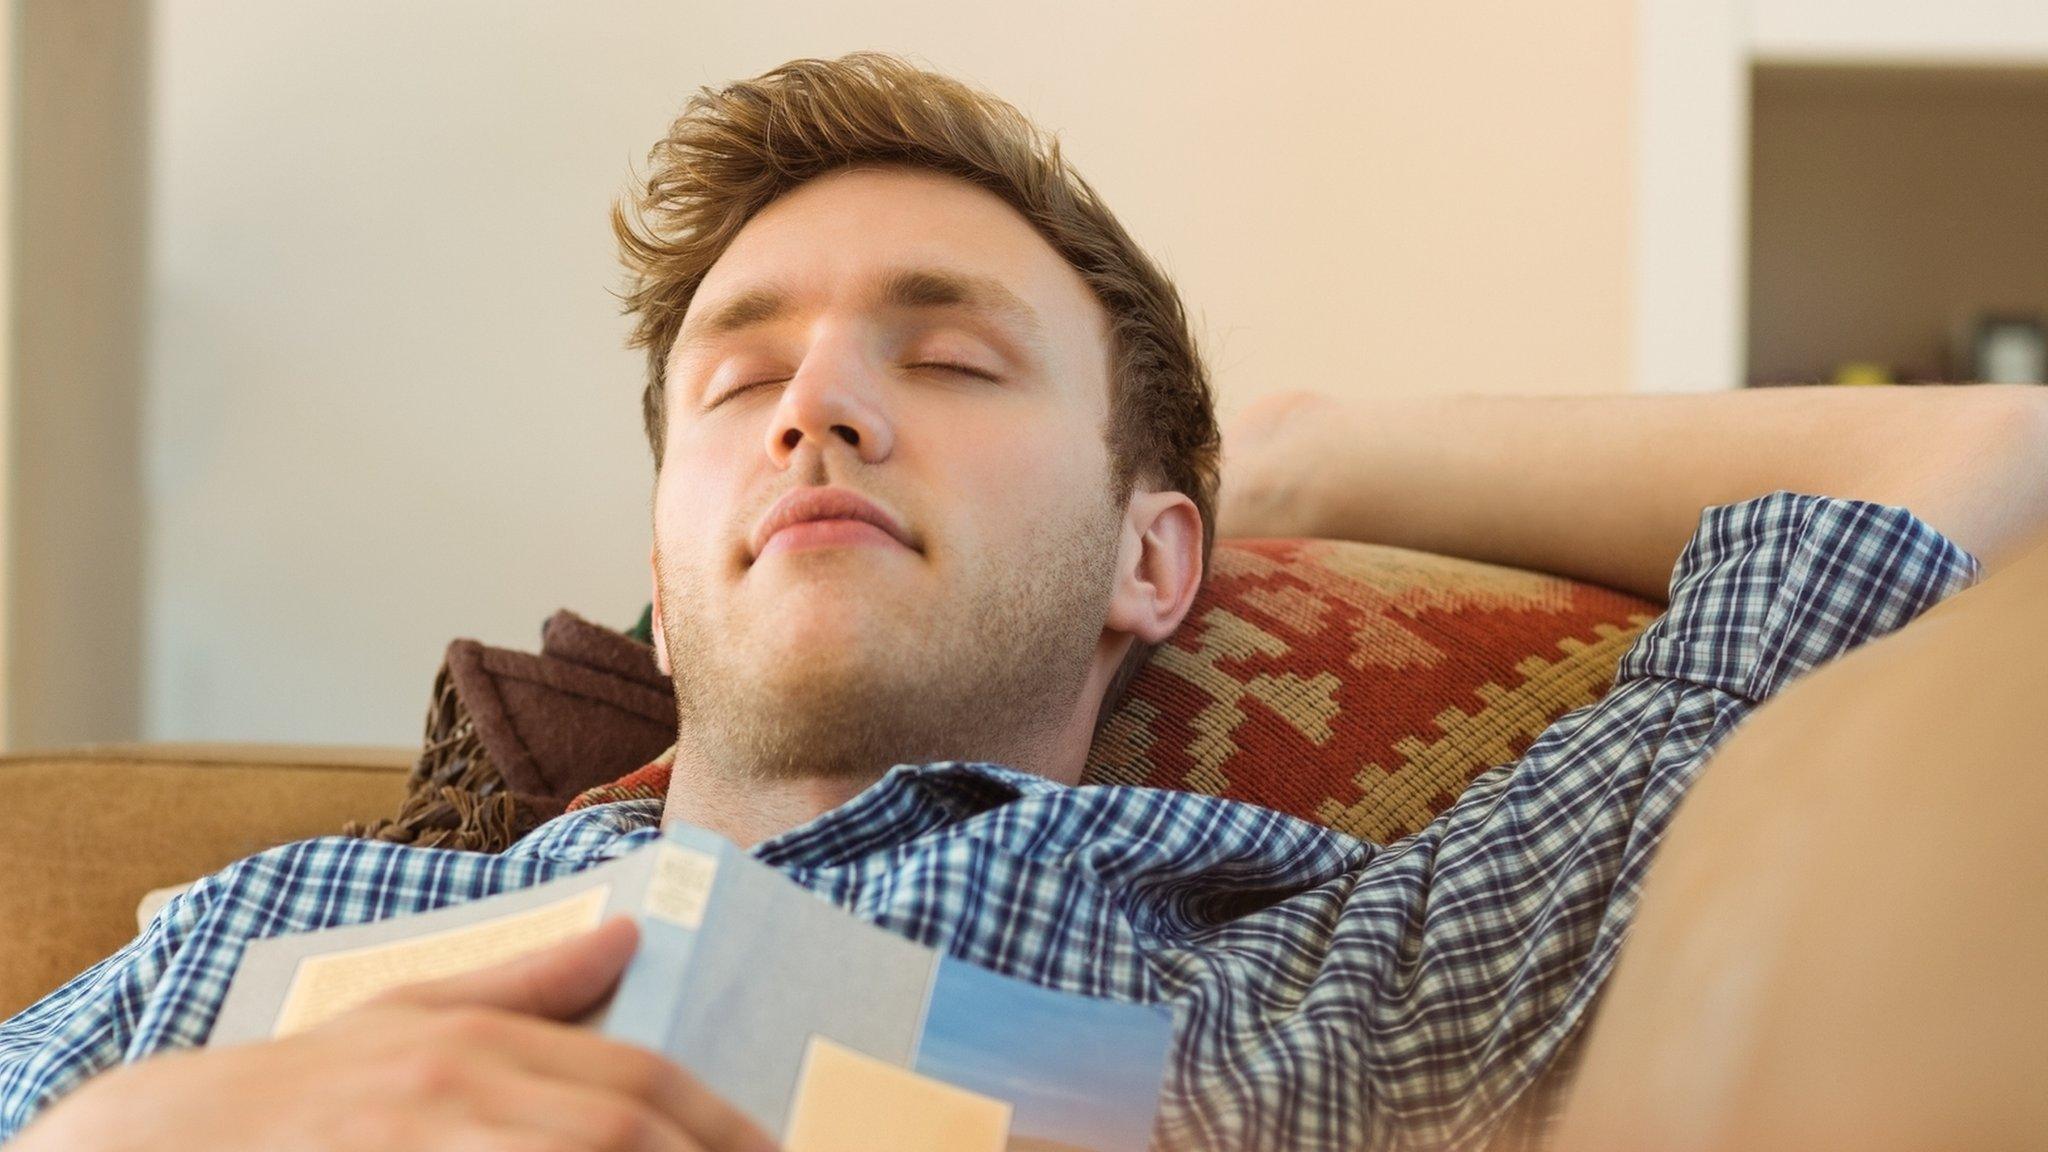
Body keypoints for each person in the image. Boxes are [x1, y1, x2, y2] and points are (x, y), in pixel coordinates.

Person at [3, 52, 2045, 1152]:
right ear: (658, 550)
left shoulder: (1340, 972)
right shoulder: (278, 930)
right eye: (739, 375)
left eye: (953, 358)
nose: (818, 407)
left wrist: (1307, 449)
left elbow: (1964, 465)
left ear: (1157, 559)